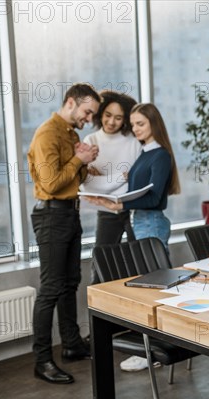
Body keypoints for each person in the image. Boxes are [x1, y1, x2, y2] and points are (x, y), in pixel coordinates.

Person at [84, 103, 180, 371]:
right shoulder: (145, 152)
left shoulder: (159, 155)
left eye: (141, 124)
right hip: (141, 221)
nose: (135, 128)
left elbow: (154, 196)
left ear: (153, 125)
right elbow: (136, 187)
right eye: (134, 124)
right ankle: (153, 347)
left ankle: (153, 351)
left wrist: (120, 206)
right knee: (150, 287)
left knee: (155, 289)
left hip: (150, 222)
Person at [27, 83, 101, 384]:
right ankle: (42, 361)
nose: (88, 119)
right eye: (87, 112)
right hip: (52, 215)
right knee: (51, 289)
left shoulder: (70, 134)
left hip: (69, 212)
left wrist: (85, 161)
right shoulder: (48, 134)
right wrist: (79, 161)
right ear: (70, 102)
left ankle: (71, 345)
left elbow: (74, 178)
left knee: (70, 282)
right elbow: (52, 183)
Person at [81, 90, 141, 284]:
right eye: (107, 115)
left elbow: (137, 180)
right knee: (101, 267)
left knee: (141, 263)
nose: (111, 122)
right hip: (106, 211)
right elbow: (90, 185)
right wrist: (123, 176)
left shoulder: (134, 142)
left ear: (125, 119)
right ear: (100, 113)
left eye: (118, 118)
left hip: (134, 209)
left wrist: (105, 180)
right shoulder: (91, 141)